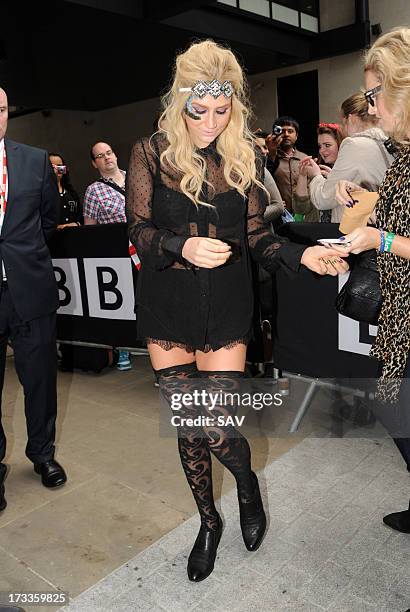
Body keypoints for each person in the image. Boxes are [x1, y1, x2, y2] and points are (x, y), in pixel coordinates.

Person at [126, 39, 348, 581]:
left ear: (234, 106)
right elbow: (137, 228)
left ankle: (246, 487)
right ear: (179, 103)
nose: (209, 122)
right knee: (189, 427)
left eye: (221, 111)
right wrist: (182, 246)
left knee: (219, 427)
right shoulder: (150, 153)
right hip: (168, 305)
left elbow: (257, 238)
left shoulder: (242, 156)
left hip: (226, 305)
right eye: (198, 111)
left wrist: (303, 254)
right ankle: (208, 521)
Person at [334, 27, 410, 533]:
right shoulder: (403, 153)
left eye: (376, 94)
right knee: (395, 409)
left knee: (399, 410)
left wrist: (378, 242)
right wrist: (359, 200)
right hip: (401, 310)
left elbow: (394, 236)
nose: (371, 108)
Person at [0, 87, 67, 513]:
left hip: (31, 291)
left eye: (1, 109)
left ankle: (42, 454)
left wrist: (21, 258)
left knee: (40, 380)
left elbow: (49, 221)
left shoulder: (34, 159)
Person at [303, 92, 394, 223]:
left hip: (357, 231)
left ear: (350, 119)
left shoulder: (353, 144)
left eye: (343, 123)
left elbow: (323, 199)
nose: (344, 129)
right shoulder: (386, 143)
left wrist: (316, 176)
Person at [84, 142, 131, 371]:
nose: (107, 158)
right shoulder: (94, 191)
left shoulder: (135, 177)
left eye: (109, 153)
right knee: (124, 304)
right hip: (117, 254)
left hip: (144, 248)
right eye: (100, 156)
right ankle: (123, 348)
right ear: (95, 163)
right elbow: (90, 230)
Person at [293, 122, 343, 222]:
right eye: (320, 146)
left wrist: (332, 180)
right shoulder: (318, 170)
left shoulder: (349, 171)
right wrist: (302, 175)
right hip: (315, 234)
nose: (322, 151)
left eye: (327, 145)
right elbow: (301, 209)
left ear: (341, 145)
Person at [265, 116, 308, 213]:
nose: (286, 134)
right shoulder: (269, 158)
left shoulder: (305, 159)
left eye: (290, 131)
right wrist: (271, 152)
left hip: (303, 213)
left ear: (296, 136)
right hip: (278, 214)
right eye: (282, 131)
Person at [254, 129, 285, 226]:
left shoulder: (264, 170)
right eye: (258, 148)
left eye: (265, 147)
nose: (264, 151)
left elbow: (278, 206)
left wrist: (246, 219)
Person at [49, 153, 82, 228]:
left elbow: (81, 217)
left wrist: (76, 224)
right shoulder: (42, 194)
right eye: (52, 166)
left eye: (60, 166)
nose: (56, 169)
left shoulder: (71, 192)